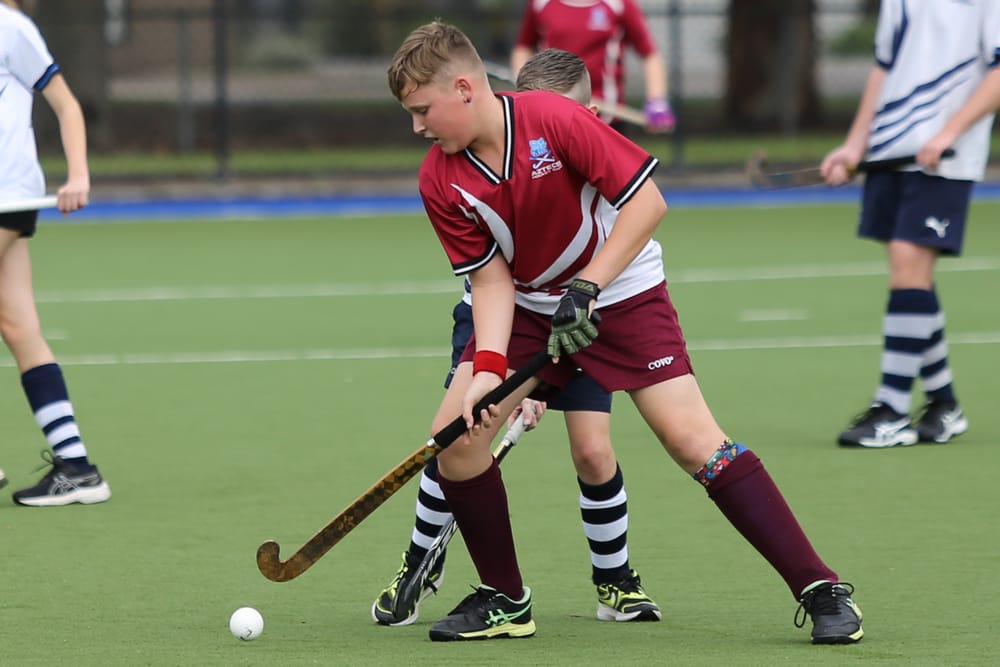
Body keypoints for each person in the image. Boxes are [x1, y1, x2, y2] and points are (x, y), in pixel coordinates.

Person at [387, 20, 863, 645]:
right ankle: (506, 598)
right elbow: (493, 283)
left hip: (623, 290)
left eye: (424, 111)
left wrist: (586, 289)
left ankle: (819, 587)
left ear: (466, 88)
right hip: (530, 306)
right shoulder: (439, 179)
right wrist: (487, 371)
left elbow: (648, 204)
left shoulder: (552, 119)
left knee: (695, 442)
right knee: (457, 440)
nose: (418, 127)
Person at [372, 48, 660, 628]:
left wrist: (557, 354)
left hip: (584, 315)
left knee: (593, 450)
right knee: (458, 434)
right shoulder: (475, 159)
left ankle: (616, 580)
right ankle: (421, 559)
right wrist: (511, 372)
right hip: (505, 317)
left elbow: (631, 226)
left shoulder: (588, 146)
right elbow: (492, 281)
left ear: (591, 114)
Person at [820, 0, 1000, 448]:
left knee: (908, 263)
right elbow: (885, 68)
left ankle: (892, 409)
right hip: (891, 149)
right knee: (912, 276)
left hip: (942, 155)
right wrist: (855, 145)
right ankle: (944, 404)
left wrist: (949, 132)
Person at [0, 0, 111, 506]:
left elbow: (65, 104)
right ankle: (77, 468)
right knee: (19, 328)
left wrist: (79, 176)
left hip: (8, 195)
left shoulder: (10, 27)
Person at [511, 0, 675, 133]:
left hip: (607, 118)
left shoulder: (619, 4)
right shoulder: (541, 4)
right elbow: (523, 47)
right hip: (553, 114)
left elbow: (649, 55)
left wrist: (657, 100)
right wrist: (525, 85)